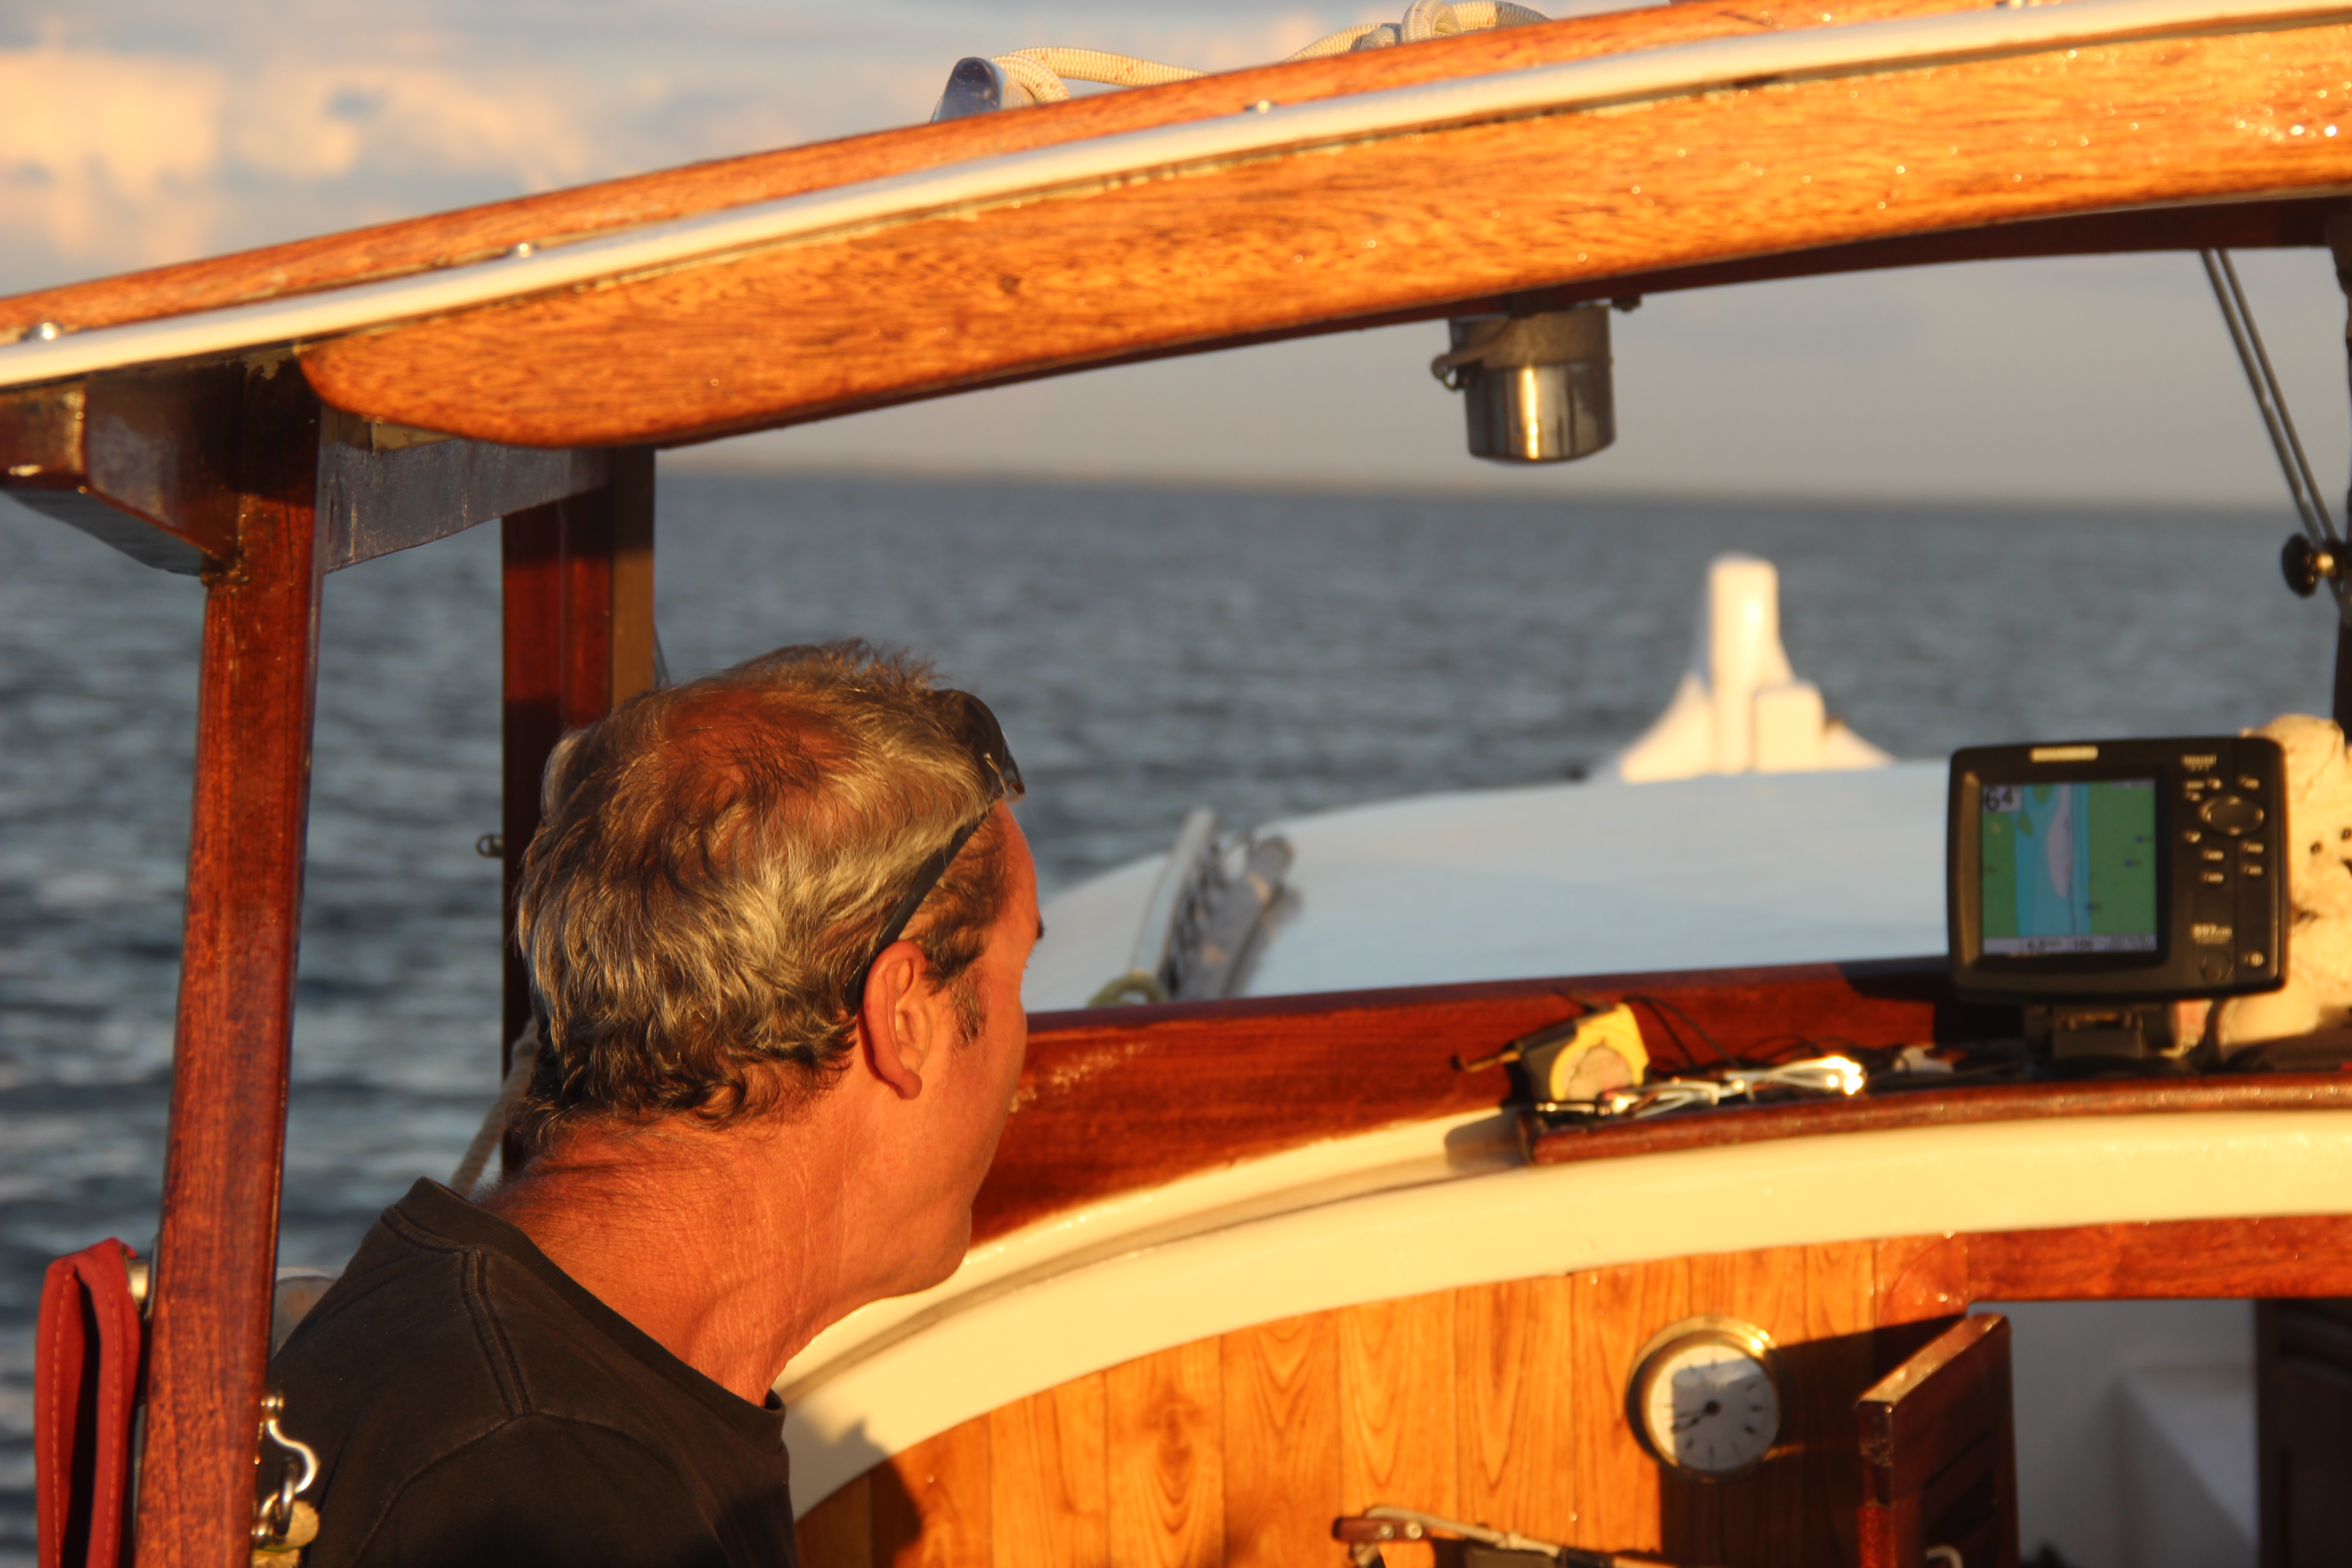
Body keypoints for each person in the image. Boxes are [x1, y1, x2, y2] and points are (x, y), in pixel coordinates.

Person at [266, 642, 1041, 1568]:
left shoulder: (482, 1357)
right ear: (903, 1018)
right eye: (1018, 978)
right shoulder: (555, 1489)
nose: (1026, 1058)